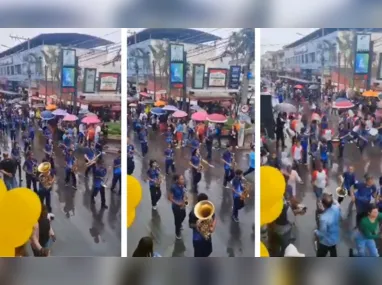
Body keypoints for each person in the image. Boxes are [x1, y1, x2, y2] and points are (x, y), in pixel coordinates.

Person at [189, 193, 216, 257]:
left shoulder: (208, 208)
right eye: (206, 201)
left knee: (207, 252)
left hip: (207, 236)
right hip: (198, 239)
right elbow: (190, 225)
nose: (207, 203)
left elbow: (214, 217)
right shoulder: (193, 212)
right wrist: (197, 225)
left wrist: (213, 227)